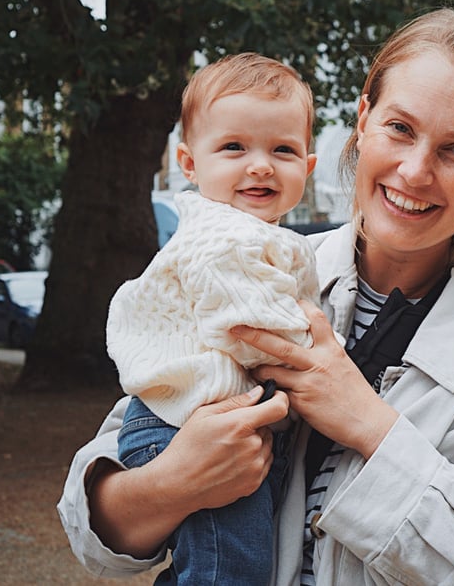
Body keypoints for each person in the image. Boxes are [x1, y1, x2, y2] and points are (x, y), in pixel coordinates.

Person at [58, 4, 454, 585]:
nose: (414, 171)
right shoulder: (263, 271)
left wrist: (370, 426)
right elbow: (94, 529)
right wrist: (172, 482)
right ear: (362, 119)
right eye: (399, 128)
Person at [104, 52, 319, 585]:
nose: (261, 164)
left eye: (283, 150)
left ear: (308, 168)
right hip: (180, 429)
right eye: (234, 148)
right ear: (189, 163)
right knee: (230, 569)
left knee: (222, 562)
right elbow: (251, 332)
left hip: (204, 420)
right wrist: (316, 348)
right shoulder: (224, 236)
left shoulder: (256, 234)